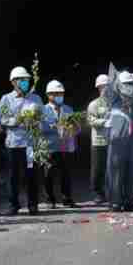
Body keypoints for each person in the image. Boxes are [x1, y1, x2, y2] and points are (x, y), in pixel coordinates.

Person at [0, 66, 43, 215]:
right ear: (13, 82)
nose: (25, 82)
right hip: (13, 143)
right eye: (21, 80)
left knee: (31, 174)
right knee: (13, 175)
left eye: (26, 80)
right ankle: (13, 204)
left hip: (30, 144)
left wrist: (35, 121)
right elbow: (2, 119)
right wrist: (17, 120)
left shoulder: (36, 99)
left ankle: (33, 204)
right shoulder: (6, 99)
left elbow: (43, 117)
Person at [106, 70, 133, 212]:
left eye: (131, 84)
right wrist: (117, 79)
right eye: (126, 84)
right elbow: (108, 89)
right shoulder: (113, 100)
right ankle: (115, 202)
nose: (129, 86)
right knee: (116, 172)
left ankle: (130, 201)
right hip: (117, 143)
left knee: (132, 172)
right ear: (119, 85)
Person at [44, 80, 79, 208]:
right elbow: (41, 128)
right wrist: (56, 127)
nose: (59, 96)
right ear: (49, 95)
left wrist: (73, 128)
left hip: (65, 146)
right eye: (56, 93)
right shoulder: (43, 110)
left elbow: (76, 127)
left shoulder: (68, 109)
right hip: (49, 147)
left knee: (66, 174)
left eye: (61, 93)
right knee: (48, 174)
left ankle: (67, 198)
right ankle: (50, 200)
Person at [87, 74, 111, 204]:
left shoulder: (114, 104)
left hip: (112, 141)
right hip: (98, 141)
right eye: (103, 87)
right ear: (98, 88)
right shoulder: (94, 104)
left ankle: (112, 191)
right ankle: (98, 193)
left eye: (108, 86)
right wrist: (104, 122)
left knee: (111, 168)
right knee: (98, 169)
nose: (106, 89)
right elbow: (91, 120)